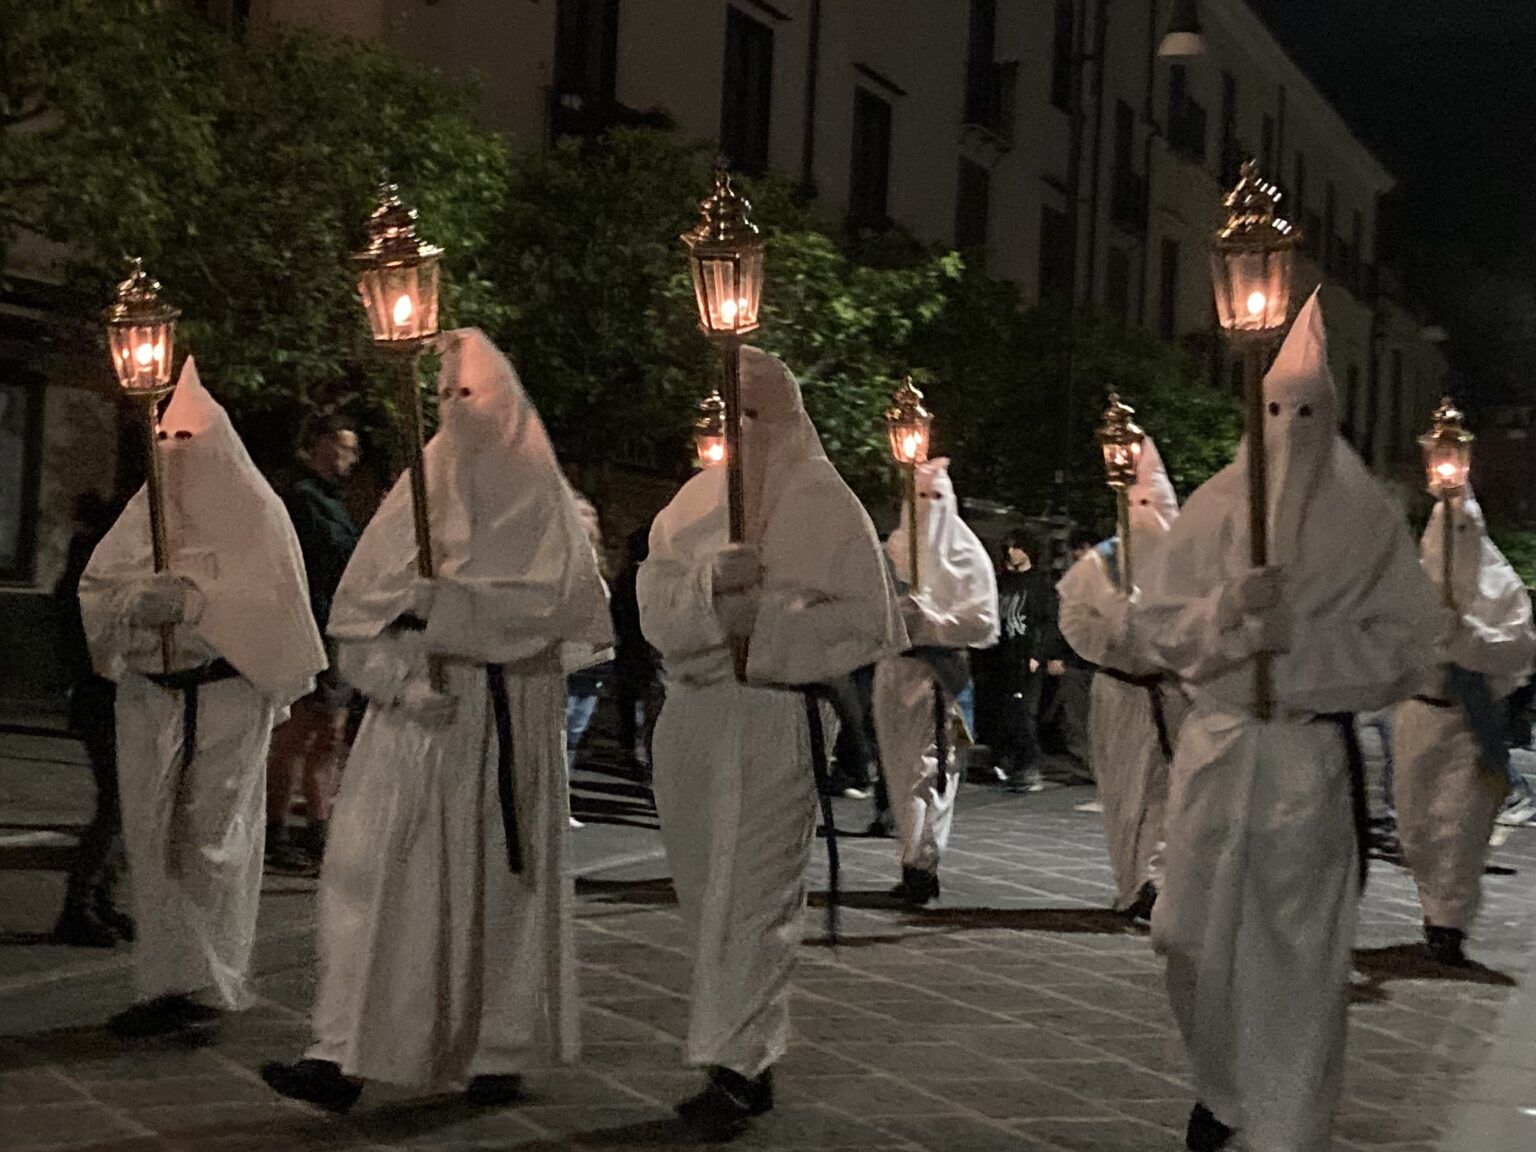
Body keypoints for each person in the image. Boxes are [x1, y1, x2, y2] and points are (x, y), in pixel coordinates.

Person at [260, 330, 611, 1111]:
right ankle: (342, 1050)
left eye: (471, 395)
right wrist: (398, 682)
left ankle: (496, 1045)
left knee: (495, 892)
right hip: (413, 731)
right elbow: (358, 621)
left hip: (501, 724)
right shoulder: (414, 497)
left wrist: (455, 609)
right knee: (374, 885)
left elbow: (563, 616)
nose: (457, 410)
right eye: (446, 396)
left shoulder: (545, 506)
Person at [1121, 293, 1438, 1152]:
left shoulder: (1367, 519)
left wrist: (1301, 643)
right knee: (1186, 938)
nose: (1289, 431)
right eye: (1275, 411)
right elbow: (1158, 625)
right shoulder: (1218, 504)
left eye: (1305, 413)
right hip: (1219, 749)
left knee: (1295, 959)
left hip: (1304, 760)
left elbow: (1408, 649)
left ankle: (1288, 1128)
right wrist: (1226, 611)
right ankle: (1223, 1089)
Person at [638, 346, 904, 1140]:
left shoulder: (825, 500)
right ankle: (743, 1053)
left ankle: (734, 1065)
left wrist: (771, 622)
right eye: (735, 413)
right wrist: (705, 592)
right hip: (694, 714)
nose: (744, 429)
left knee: (754, 894)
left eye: (757, 413)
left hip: (773, 717)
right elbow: (653, 599)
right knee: (704, 891)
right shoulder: (691, 504)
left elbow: (865, 621)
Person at [80, 359, 326, 1037]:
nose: (175, 452)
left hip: (224, 698)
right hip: (150, 699)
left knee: (211, 840)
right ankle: (164, 979)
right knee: (154, 838)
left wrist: (196, 606)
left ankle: (209, 981)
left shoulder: (257, 515)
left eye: (187, 439)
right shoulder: (146, 515)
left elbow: (270, 603)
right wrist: (135, 604)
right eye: (167, 439)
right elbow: (99, 589)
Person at [1392, 488, 1536, 966]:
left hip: (1469, 721)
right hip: (1420, 715)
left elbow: (1517, 648)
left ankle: (1448, 922)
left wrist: (1466, 637)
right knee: (1417, 824)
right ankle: (1432, 904)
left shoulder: (1501, 588)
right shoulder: (1411, 585)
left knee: (1461, 825)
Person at [1058, 438, 1184, 922]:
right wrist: (1113, 629)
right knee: (1124, 791)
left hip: (1173, 694)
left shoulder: (1189, 560)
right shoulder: (1102, 564)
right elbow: (1075, 621)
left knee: (1167, 793)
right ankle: (1131, 880)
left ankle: (1159, 880)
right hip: (1120, 692)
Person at [872, 458, 998, 905]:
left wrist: (936, 620)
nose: (929, 507)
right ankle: (911, 855)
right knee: (899, 772)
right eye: (921, 497)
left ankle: (924, 861)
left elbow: (984, 622)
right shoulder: (891, 551)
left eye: (937, 498)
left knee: (935, 770)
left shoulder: (968, 557)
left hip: (941, 678)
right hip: (896, 674)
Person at [265, 414, 361, 873]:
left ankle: (318, 829)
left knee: (329, 734)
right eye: (343, 446)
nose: (350, 457)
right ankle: (276, 829)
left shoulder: (332, 502)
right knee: (299, 734)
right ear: (320, 445)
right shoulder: (303, 499)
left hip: (335, 626)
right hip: (312, 625)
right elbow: (329, 557)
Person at [53, 492, 134, 948]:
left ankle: (99, 899)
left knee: (124, 803)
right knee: (117, 803)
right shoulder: (95, 573)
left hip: (103, 696)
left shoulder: (91, 567)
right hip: (103, 697)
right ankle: (79, 905)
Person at [990, 529, 1064, 791]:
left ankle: (1028, 765)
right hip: (1004, 655)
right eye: (1008, 548)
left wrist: (1039, 655)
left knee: (1025, 711)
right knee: (1006, 711)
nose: (1011, 553)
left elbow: (1049, 622)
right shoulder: (1003, 582)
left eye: (1017, 547)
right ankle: (1010, 762)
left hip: (1027, 656)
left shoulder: (1040, 584)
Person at [610, 526, 662, 774]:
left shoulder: (625, 577)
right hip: (646, 647)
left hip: (629, 646)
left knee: (629, 699)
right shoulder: (650, 577)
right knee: (649, 702)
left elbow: (616, 612)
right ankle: (643, 755)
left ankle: (630, 748)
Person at [1055, 528, 1098, 787]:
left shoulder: (1107, 578)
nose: (1080, 555)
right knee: (1075, 717)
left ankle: (1098, 766)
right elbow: (1064, 622)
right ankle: (1085, 765)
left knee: (1098, 718)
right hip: (1075, 660)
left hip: (1099, 662)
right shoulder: (1072, 580)